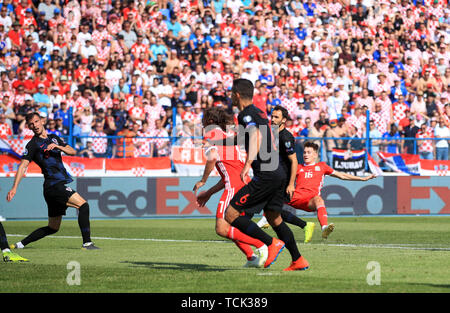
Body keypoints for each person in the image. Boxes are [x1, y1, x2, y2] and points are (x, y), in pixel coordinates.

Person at [209, 78, 309, 271]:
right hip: (278, 173)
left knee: (231, 214)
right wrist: (221, 144)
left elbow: (256, 135)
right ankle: (298, 259)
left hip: (266, 174)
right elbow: (246, 136)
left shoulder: (246, 114)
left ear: (237, 95)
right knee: (274, 217)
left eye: (231, 94)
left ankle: (271, 244)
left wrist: (248, 163)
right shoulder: (259, 113)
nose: (230, 97)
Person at [6, 112, 99, 250]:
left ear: (42, 121)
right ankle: (87, 243)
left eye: (36, 121)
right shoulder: (32, 145)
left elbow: (72, 151)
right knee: (83, 206)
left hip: (53, 188)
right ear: (29, 127)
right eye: (31, 124)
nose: (35, 125)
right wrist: (14, 187)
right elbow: (23, 166)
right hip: (54, 185)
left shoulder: (54, 138)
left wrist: (58, 147)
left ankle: (20, 244)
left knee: (53, 227)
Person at [193, 107, 266, 268]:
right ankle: (251, 257)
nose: (203, 124)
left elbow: (211, 158)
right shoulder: (227, 136)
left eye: (204, 121)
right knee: (232, 226)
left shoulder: (211, 133)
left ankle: (262, 245)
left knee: (221, 228)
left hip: (235, 187)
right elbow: (227, 176)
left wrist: (203, 180)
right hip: (244, 184)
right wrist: (210, 193)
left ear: (210, 121)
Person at [285, 141, 375, 238]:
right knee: (274, 203)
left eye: (309, 152)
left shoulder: (322, 166)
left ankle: (324, 228)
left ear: (315, 154)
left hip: (310, 201)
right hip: (296, 197)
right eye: (304, 152)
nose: (306, 154)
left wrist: (362, 179)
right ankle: (266, 218)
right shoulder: (298, 167)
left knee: (319, 200)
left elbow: (342, 175)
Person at [255, 106, 315, 243]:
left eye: (276, 117)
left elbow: (294, 161)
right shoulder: (271, 134)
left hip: (282, 179)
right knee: (272, 210)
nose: (273, 119)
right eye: (272, 116)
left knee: (268, 207)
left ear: (284, 120)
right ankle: (305, 225)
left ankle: (256, 227)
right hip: (272, 176)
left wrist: (290, 184)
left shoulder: (286, 137)